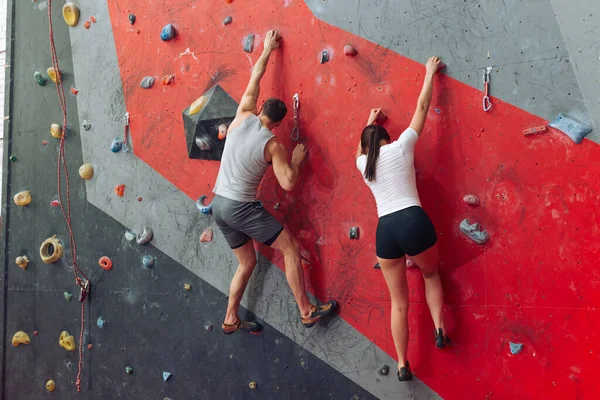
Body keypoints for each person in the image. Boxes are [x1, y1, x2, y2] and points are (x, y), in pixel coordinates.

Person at [212, 30, 337, 335]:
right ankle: (306, 311)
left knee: (246, 263)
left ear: (261, 106)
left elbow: (256, 75)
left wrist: (268, 49)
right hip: (241, 207)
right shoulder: (273, 145)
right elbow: (289, 183)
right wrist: (295, 158)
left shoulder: (242, 114)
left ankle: (230, 317)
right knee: (291, 248)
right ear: (279, 124)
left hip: (219, 204)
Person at [354, 56, 450, 382]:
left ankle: (402, 364)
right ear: (385, 141)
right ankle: (439, 330)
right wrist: (429, 73)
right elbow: (422, 107)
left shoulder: (363, 167)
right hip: (412, 220)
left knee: (399, 303)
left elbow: (360, 149)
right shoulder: (401, 147)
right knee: (431, 274)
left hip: (386, 233)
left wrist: (369, 122)